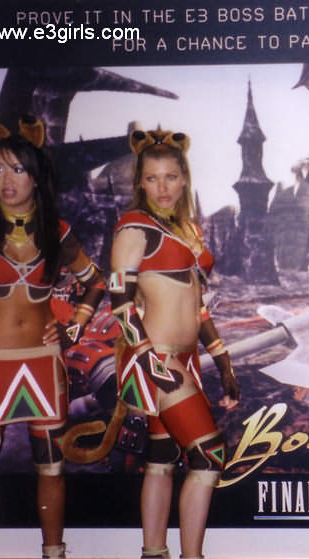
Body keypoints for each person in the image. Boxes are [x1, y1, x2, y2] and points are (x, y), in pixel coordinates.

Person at [0, 116, 105, 559]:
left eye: (18, 169)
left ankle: (54, 554)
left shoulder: (57, 232)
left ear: (37, 177)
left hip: (44, 365)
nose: (7, 180)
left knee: (52, 470)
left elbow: (97, 281)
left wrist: (74, 327)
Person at [109, 129, 239, 559]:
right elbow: (120, 304)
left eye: (170, 176)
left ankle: (153, 552)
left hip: (184, 359)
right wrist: (150, 362)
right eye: (152, 178)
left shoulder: (188, 229)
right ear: (140, 182)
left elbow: (197, 306)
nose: (162, 187)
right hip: (157, 358)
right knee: (209, 455)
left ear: (184, 178)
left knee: (162, 459)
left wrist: (223, 363)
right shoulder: (134, 227)